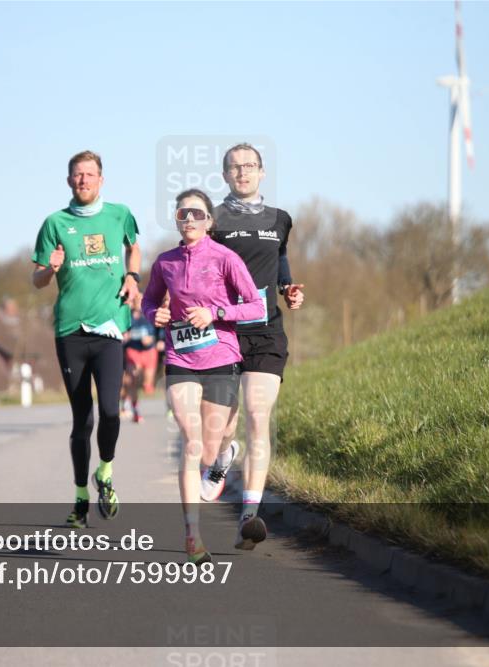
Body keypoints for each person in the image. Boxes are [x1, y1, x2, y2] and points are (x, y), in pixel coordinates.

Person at [142, 189, 263, 564]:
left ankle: (225, 454)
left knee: (212, 448)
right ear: (177, 221)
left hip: (221, 356)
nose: (189, 219)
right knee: (192, 442)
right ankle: (192, 536)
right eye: (183, 214)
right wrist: (154, 316)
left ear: (209, 221)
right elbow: (149, 302)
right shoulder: (165, 263)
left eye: (197, 213)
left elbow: (256, 306)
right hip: (180, 358)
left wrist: (215, 314)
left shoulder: (226, 258)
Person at [31, 150, 141, 528]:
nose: (84, 180)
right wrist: (51, 268)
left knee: (111, 410)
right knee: (83, 419)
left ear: (101, 180)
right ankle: (80, 499)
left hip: (109, 328)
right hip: (70, 332)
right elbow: (37, 279)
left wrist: (133, 278)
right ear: (68, 181)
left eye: (90, 174)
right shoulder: (54, 223)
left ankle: (105, 473)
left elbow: (135, 247)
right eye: (78, 175)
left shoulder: (119, 214)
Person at [205, 143, 305, 550]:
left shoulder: (280, 220)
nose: (242, 172)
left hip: (266, 332)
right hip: (224, 332)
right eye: (234, 167)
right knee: (219, 430)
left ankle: (249, 514)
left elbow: (279, 259)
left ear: (262, 172)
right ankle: (223, 455)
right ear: (225, 175)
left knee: (258, 417)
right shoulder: (213, 219)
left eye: (250, 166)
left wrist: (288, 289)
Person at [121, 296, 159, 423]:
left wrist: (155, 340)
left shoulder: (150, 314)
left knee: (147, 385)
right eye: (135, 300)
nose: (138, 302)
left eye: (140, 299)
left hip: (149, 352)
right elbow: (122, 333)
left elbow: (160, 331)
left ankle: (131, 399)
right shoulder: (127, 316)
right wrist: (125, 336)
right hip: (133, 351)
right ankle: (134, 409)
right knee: (131, 379)